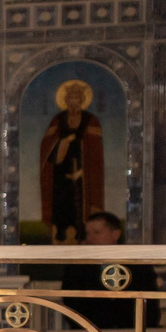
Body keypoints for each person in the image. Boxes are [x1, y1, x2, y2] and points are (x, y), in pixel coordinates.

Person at [39, 79, 105, 245]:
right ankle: (59, 239)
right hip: (61, 174)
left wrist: (85, 171)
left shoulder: (91, 120)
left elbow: (95, 152)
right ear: (66, 100)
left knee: (81, 208)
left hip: (85, 176)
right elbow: (46, 147)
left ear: (82, 100)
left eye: (77, 98)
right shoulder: (58, 120)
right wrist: (64, 142)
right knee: (61, 207)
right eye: (70, 98)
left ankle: (83, 241)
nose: (73, 101)